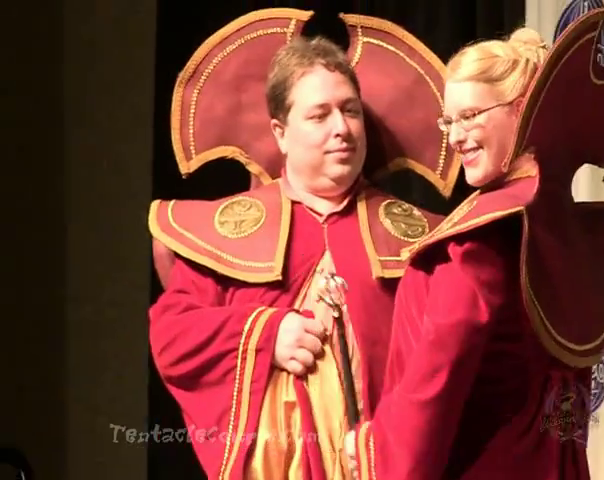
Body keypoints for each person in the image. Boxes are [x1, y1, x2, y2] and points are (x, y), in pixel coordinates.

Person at [345, 7, 604, 480]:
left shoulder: (481, 238)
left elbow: (435, 383)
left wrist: (375, 449)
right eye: (448, 121)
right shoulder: (568, 229)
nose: (456, 137)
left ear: (521, 108)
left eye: (470, 116)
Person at [147, 8, 462, 480]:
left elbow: (449, 363)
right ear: (281, 133)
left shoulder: (420, 239)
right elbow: (173, 334)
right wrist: (264, 335)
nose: (342, 128)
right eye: (319, 115)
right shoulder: (225, 233)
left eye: (350, 110)